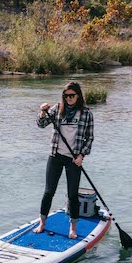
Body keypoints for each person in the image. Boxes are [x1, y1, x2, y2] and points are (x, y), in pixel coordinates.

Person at [35, 81, 94, 238]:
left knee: (72, 194)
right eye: (66, 95)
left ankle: (73, 228)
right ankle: (42, 224)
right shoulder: (57, 109)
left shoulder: (86, 113)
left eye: (72, 95)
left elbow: (89, 138)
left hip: (73, 159)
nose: (69, 98)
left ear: (78, 96)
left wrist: (82, 155)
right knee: (48, 192)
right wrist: (42, 112)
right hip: (55, 156)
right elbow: (41, 124)